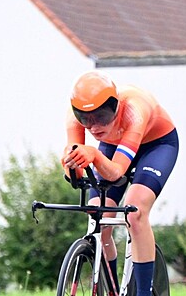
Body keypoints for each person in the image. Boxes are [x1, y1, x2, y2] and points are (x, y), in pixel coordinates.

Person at [63, 70, 178, 296]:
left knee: (135, 211)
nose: (94, 127)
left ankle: (144, 292)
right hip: (113, 144)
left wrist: (93, 156)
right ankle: (112, 290)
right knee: (98, 216)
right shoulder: (74, 116)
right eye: (86, 120)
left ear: (115, 106)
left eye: (102, 116)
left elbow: (115, 172)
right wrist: (70, 165)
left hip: (156, 145)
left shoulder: (135, 110)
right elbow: (72, 165)